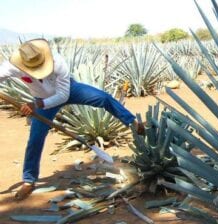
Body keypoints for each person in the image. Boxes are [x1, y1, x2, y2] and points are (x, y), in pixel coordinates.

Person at [0, 39, 144, 200]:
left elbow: (63, 96)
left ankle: (131, 122)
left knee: (103, 98)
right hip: (40, 100)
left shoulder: (57, 61)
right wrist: (39, 103)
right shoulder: (13, 66)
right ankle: (29, 180)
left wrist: (37, 104)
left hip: (67, 90)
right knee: (35, 139)